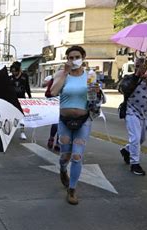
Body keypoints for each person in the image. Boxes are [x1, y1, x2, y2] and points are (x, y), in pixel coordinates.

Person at [50, 45, 96, 205]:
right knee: (65, 156)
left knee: (77, 156)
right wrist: (64, 72)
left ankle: (72, 189)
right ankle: (63, 169)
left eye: (76, 57)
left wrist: (96, 91)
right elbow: (53, 92)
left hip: (84, 121)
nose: (73, 60)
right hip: (64, 121)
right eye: (70, 57)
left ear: (83, 57)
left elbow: (93, 98)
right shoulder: (61, 74)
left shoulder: (90, 75)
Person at [118, 57, 147, 175]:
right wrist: (137, 77)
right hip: (131, 112)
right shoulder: (128, 78)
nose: (139, 68)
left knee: (141, 138)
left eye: (142, 66)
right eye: (137, 66)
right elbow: (123, 89)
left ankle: (126, 150)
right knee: (135, 138)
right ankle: (135, 164)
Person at [9, 61, 31, 140]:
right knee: (11, 116)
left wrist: (30, 97)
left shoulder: (24, 76)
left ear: (19, 70)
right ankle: (9, 132)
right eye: (12, 71)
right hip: (12, 99)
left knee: (22, 117)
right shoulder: (10, 78)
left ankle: (22, 132)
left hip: (22, 99)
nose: (13, 73)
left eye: (15, 71)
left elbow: (27, 87)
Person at [43, 75, 60, 151]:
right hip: (55, 104)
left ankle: (58, 142)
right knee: (56, 122)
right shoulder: (54, 80)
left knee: (62, 124)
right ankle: (52, 137)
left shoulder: (70, 81)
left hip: (65, 104)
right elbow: (47, 93)